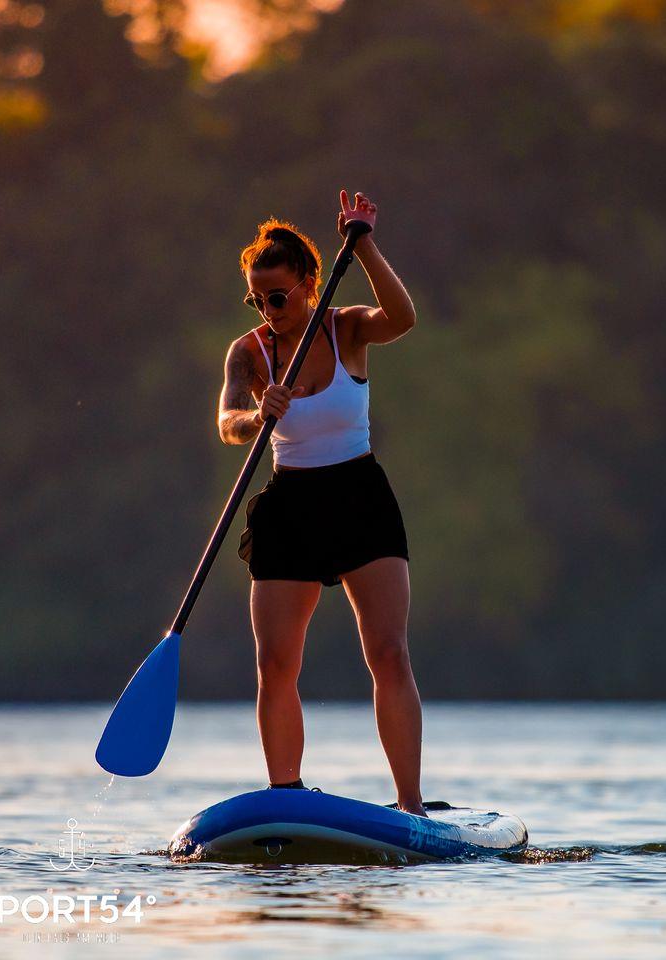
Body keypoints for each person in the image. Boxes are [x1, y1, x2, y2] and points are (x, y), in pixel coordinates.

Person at [216, 191, 426, 816]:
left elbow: (404, 318)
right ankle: (286, 795)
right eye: (257, 300)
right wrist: (257, 416)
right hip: (290, 508)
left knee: (388, 653)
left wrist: (364, 247)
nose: (268, 310)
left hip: (360, 499)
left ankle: (410, 805)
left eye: (277, 297)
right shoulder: (248, 353)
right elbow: (227, 423)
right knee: (276, 663)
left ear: (309, 285)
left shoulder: (348, 327)